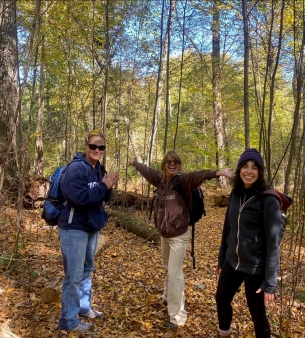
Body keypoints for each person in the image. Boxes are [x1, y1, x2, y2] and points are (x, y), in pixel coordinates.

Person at [129, 150, 231, 331]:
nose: (172, 164)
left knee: (175, 274)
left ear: (179, 164)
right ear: (164, 164)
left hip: (178, 236)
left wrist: (219, 173)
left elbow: (199, 175)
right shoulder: (160, 180)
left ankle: (177, 317)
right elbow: (146, 170)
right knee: (168, 268)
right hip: (164, 235)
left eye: (175, 161)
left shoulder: (182, 181)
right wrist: (135, 163)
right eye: (169, 161)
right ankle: (168, 297)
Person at [58, 131, 119, 334]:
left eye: (101, 147)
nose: (97, 150)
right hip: (74, 228)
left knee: (86, 270)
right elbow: (79, 198)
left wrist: (108, 186)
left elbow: (105, 196)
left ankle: (83, 307)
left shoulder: (98, 169)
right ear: (86, 146)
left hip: (92, 227)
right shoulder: (76, 169)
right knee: (73, 276)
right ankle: (68, 321)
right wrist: (103, 186)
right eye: (93, 146)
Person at [215, 148, 281, 337]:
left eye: (254, 167)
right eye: (245, 166)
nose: (249, 171)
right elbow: (227, 229)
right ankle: (224, 332)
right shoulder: (235, 195)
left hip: (255, 268)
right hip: (233, 261)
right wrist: (221, 259)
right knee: (221, 298)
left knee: (257, 312)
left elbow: (273, 243)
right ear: (239, 170)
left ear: (260, 172)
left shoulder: (268, 200)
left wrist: (270, 281)